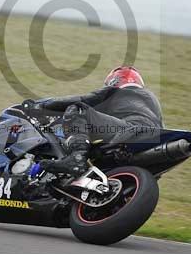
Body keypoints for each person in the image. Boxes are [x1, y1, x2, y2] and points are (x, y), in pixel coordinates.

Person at [27, 66, 163, 176]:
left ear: (116, 81)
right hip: (153, 139)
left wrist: (42, 106)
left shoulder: (117, 90)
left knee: (79, 109)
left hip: (131, 129)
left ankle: (77, 158)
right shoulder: (152, 100)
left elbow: (82, 100)